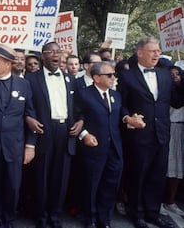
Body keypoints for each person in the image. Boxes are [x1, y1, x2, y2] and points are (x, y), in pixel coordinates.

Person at [117, 37, 178, 228]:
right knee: (138, 174)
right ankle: (136, 213)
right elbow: (121, 105)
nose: (157, 54)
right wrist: (128, 119)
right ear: (140, 53)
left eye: (158, 51)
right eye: (152, 51)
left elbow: (176, 101)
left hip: (162, 133)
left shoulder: (166, 75)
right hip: (138, 135)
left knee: (157, 175)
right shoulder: (127, 77)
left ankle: (153, 212)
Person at [0, 44, 36, 228]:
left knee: (13, 187)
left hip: (14, 146)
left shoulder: (24, 85)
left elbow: (30, 115)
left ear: (8, 64)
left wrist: (30, 145)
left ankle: (9, 220)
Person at [25, 41, 83, 228]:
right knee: (42, 176)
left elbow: (78, 107)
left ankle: (54, 215)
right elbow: (27, 106)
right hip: (44, 129)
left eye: (58, 52)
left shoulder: (70, 79)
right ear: (43, 56)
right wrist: (29, 118)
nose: (56, 55)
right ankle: (41, 215)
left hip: (66, 131)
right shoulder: (31, 79)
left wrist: (80, 122)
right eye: (51, 52)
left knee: (61, 176)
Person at [76, 62, 123, 228]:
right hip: (94, 148)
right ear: (96, 78)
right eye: (109, 75)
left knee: (110, 185)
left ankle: (105, 220)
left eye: (114, 74)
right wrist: (84, 134)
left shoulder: (116, 95)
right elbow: (76, 116)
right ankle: (90, 218)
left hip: (114, 148)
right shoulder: (83, 94)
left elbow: (120, 115)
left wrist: (130, 119)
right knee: (91, 184)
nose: (113, 77)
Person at [160, 66, 184, 216]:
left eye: (178, 74)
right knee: (163, 168)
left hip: (180, 129)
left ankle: (171, 201)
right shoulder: (165, 91)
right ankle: (158, 200)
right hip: (168, 128)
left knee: (176, 169)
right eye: (172, 74)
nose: (175, 77)